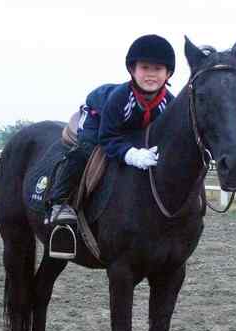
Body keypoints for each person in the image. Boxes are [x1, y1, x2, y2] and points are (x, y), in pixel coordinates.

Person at [49, 34, 176, 224]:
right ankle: (59, 202)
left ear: (168, 73)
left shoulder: (169, 103)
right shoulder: (120, 98)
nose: (151, 74)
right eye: (144, 68)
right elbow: (108, 137)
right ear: (132, 70)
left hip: (131, 126)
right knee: (86, 149)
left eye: (157, 69)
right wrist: (132, 155)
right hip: (98, 117)